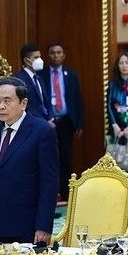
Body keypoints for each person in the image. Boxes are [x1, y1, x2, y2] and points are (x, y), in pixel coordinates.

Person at [0, 77, 58, 244]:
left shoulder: (42, 131)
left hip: (25, 224)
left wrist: (43, 226)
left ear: (23, 103)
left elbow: (49, 183)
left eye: (7, 101)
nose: (1, 106)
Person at [38, 43, 84, 200]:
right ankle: (51, 193)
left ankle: (66, 193)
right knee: (49, 157)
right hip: (48, 122)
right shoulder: (41, 75)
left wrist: (79, 123)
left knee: (66, 158)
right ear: (48, 56)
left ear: (63, 55)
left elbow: (77, 99)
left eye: (59, 52)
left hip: (66, 122)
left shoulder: (71, 74)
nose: (56, 55)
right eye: (52, 53)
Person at [14, 44, 52, 122]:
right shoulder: (19, 80)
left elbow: (46, 101)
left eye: (40, 57)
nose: (40, 60)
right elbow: (25, 106)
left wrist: (50, 118)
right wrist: (43, 122)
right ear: (26, 60)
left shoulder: (39, 78)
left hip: (46, 122)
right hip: (33, 122)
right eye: (36, 57)